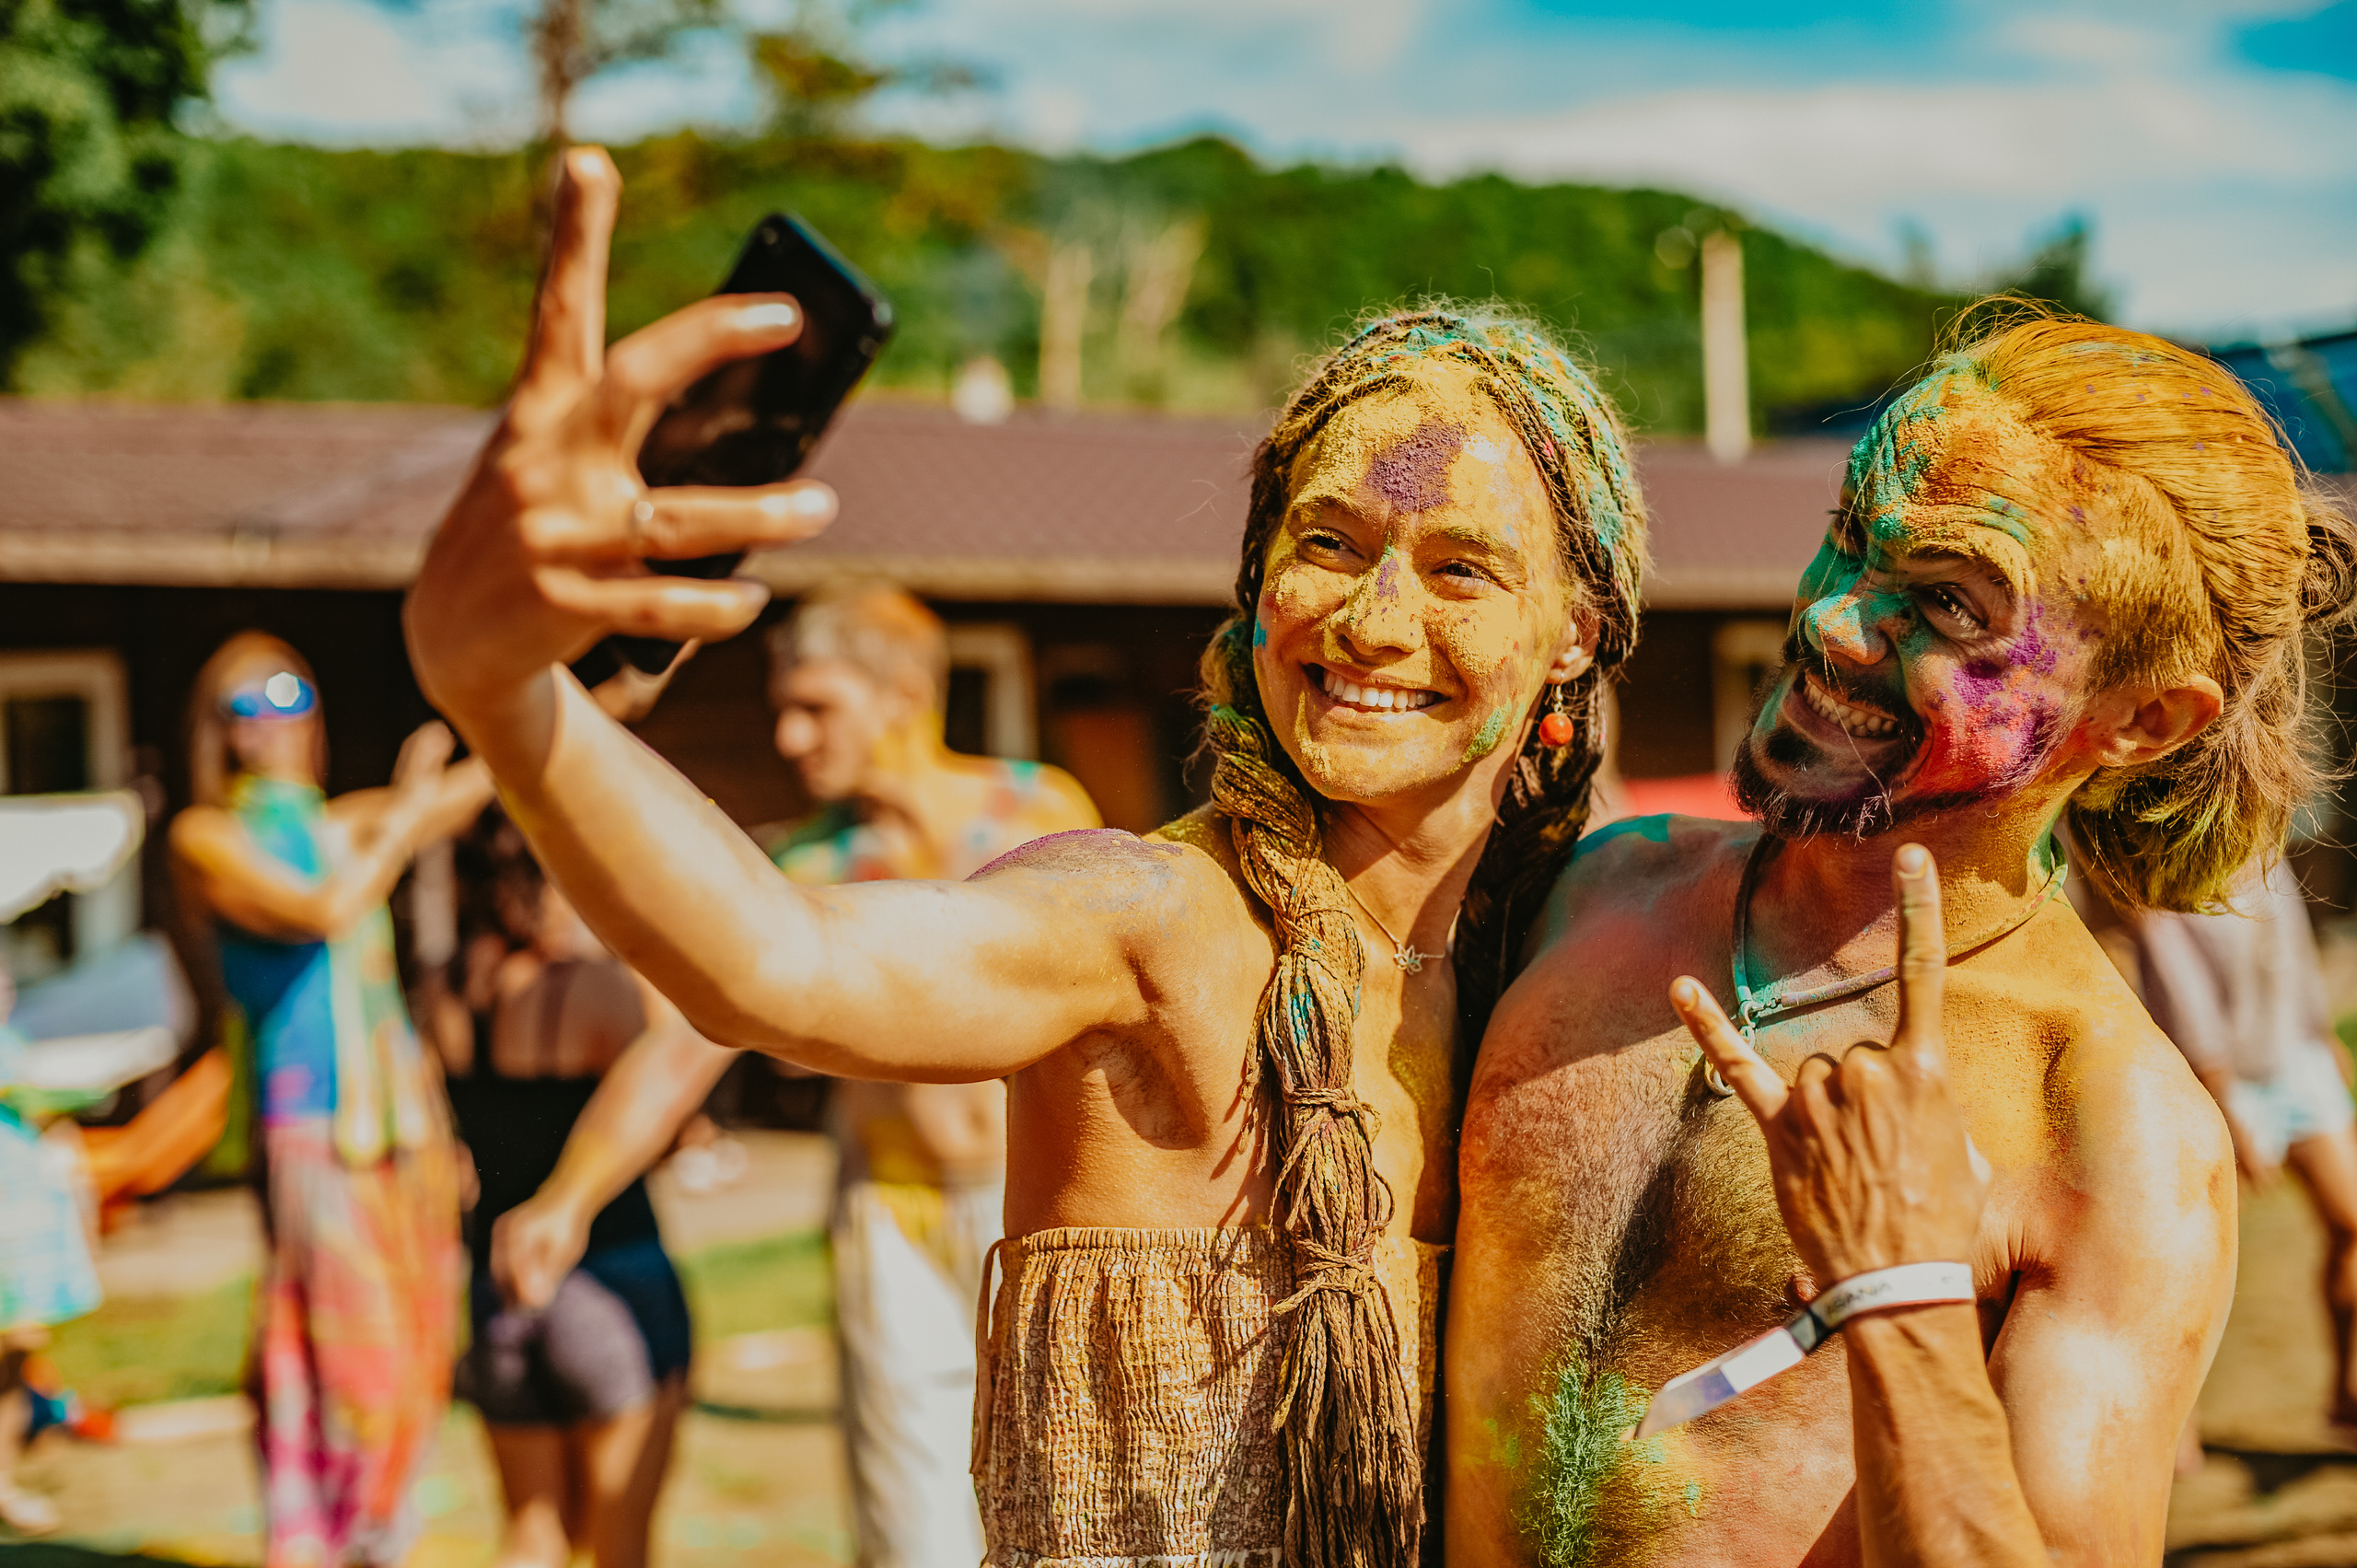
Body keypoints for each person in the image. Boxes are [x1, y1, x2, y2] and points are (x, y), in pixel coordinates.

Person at [402, 146, 1647, 1568]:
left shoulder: (1563, 977)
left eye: (1460, 566)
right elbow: (780, 959)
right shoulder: (1149, 915)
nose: (1369, 618)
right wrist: (498, 684)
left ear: (1576, 630)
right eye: (1328, 541)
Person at [1446, 313, 2356, 1564]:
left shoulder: (2110, 1125)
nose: (1832, 619)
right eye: (1848, 537)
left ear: (2144, 719)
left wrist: (1901, 1288)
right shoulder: (1597, 888)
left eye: (1944, 600)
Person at [496, 581, 1099, 1568]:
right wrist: (570, 1195)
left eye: (816, 706)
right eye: (785, 708)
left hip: (1040, 1204)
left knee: (1074, 1509)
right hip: (890, 1215)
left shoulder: (1036, 810)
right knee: (913, 1531)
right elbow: (684, 1045)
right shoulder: (804, 867)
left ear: (903, 694)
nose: (787, 736)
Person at [169, 632, 492, 1568]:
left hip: (400, 1118)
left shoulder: (339, 825)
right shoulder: (208, 835)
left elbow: (466, 794)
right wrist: (405, 809)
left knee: (422, 1338)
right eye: (247, 703)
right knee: (345, 1349)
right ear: (218, 729)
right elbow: (328, 907)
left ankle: (377, 1535)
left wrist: (602, 703)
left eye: (291, 695)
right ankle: (321, 1536)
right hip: (311, 1116)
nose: (272, 720)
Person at [422, 805, 702, 1568]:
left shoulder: (441, 990)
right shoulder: (600, 987)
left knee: (531, 1536)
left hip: (498, 1287)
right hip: (612, 1277)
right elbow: (666, 1122)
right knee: (619, 1544)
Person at [2132, 858, 2357, 1440]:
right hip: (2221, 1079)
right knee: (2191, 1259)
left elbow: (2293, 946)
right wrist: (2229, 1111)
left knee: (2351, 1221)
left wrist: (2323, 1033)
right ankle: (2175, 1423)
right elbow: (2185, 1002)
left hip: (2296, 1059)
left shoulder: (2266, 855)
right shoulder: (2166, 879)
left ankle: (2347, 1392)